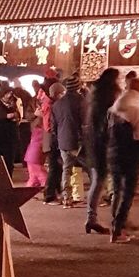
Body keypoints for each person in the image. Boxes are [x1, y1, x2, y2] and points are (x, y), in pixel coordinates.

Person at [107, 76, 139, 243]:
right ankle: (118, 228)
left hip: (113, 153)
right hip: (130, 154)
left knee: (117, 190)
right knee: (127, 192)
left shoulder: (115, 108)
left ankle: (116, 225)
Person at [83, 67, 122, 234]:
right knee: (104, 181)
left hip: (94, 144)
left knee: (98, 181)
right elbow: (108, 125)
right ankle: (113, 221)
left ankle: (91, 218)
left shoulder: (95, 98)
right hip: (103, 145)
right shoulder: (107, 101)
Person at [51, 75, 86, 206]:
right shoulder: (81, 101)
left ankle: (67, 197)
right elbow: (85, 122)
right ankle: (98, 197)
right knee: (91, 168)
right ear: (77, 87)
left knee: (66, 169)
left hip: (63, 141)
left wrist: (59, 137)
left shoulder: (57, 104)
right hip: (78, 141)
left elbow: (53, 126)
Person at [40, 80, 63, 203]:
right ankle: (49, 195)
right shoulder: (50, 106)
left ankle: (56, 192)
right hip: (51, 140)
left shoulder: (48, 103)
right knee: (54, 167)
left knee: (57, 167)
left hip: (49, 139)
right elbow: (49, 125)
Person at [0, 83, 20, 173]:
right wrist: (5, 116)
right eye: (8, 93)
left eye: (11, 93)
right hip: (0, 134)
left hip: (12, 133)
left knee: (10, 158)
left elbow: (18, 113)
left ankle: (9, 176)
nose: (10, 95)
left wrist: (16, 116)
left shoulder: (13, 102)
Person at [24, 115, 47, 187]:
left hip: (30, 156)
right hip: (35, 156)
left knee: (33, 178)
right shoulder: (43, 132)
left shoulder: (35, 130)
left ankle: (26, 191)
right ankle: (47, 191)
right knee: (43, 177)